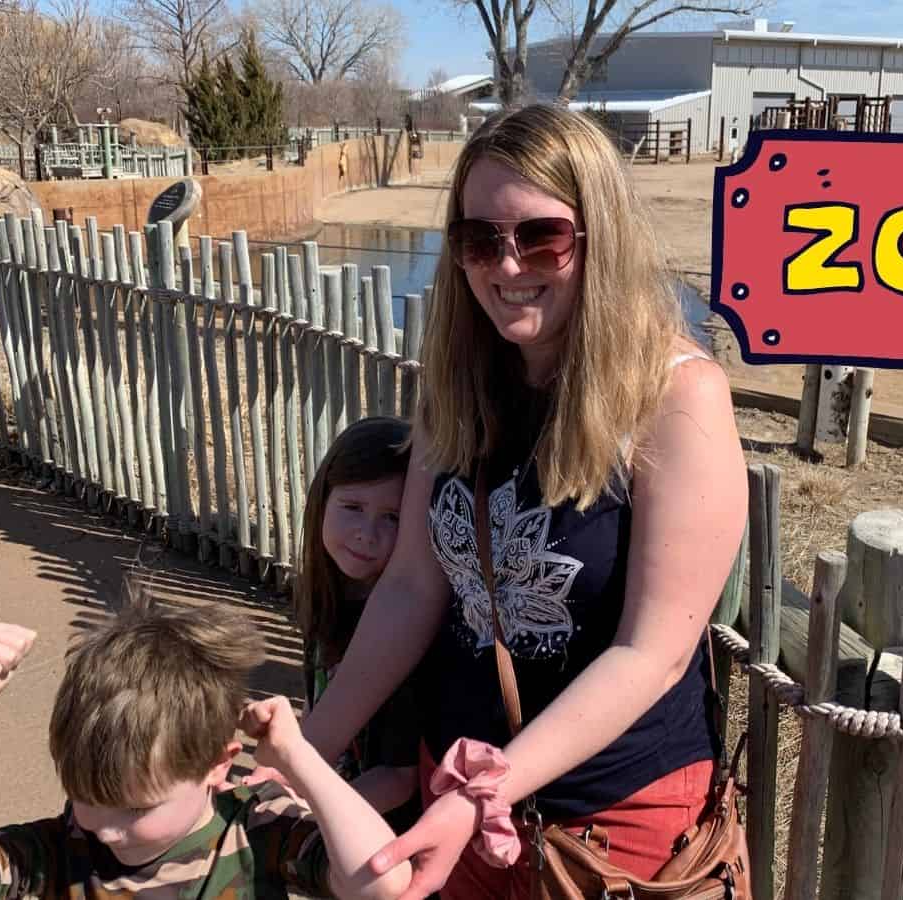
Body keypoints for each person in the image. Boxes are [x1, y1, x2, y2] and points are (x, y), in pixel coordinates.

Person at [294, 103, 749, 899]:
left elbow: (654, 652)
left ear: (597, 235)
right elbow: (412, 587)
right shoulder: (459, 389)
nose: (505, 268)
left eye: (541, 236)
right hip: (457, 786)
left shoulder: (677, 395)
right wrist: (301, 756)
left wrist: (494, 788)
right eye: (479, 241)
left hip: (610, 810)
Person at [0, 604, 413, 899]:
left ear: (218, 764)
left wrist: (299, 758)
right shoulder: (58, 851)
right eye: (87, 795)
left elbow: (383, 882)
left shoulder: (254, 831)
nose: (110, 829)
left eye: (139, 807)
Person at [294, 415, 422, 832]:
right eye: (352, 507)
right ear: (323, 499)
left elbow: (399, 779)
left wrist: (305, 816)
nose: (367, 534)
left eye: (392, 518)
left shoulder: (400, 631)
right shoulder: (326, 598)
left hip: (384, 836)